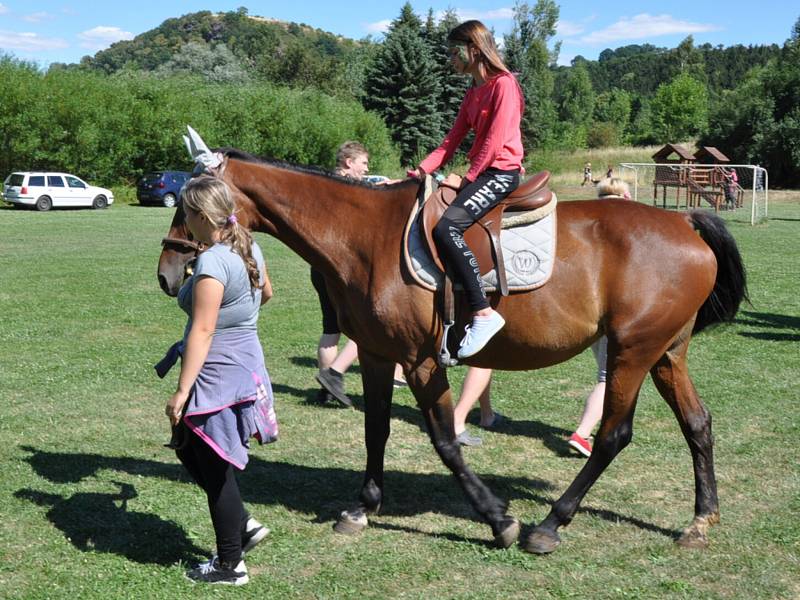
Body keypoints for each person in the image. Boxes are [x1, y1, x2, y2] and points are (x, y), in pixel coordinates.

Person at [164, 176, 277, 585]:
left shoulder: (213, 261)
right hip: (243, 362)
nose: (183, 220)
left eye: (185, 212)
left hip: (218, 371)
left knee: (213, 466)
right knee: (189, 447)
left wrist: (181, 391)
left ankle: (231, 564)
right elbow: (266, 294)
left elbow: (203, 330)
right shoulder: (250, 248)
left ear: (197, 215)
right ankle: (242, 525)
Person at [408, 19, 524, 359]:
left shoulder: (504, 85)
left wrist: (468, 177)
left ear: (474, 49)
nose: (451, 59)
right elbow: (451, 140)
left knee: (447, 228)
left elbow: (494, 140)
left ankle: (484, 313)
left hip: (501, 173)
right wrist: (420, 170)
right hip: (482, 173)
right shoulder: (473, 92)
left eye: (453, 51)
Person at [314, 142, 406, 407]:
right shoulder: (344, 187)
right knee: (368, 325)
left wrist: (382, 183)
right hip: (340, 268)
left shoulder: (324, 184)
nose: (366, 169)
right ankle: (333, 375)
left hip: (320, 266)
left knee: (331, 328)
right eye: (363, 163)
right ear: (348, 162)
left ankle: (327, 388)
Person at [567, 178, 630, 457]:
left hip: (586, 305)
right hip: (613, 307)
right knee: (608, 376)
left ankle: (613, 424)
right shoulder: (626, 220)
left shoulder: (591, 216)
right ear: (625, 194)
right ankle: (582, 433)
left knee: (607, 372)